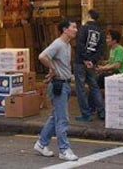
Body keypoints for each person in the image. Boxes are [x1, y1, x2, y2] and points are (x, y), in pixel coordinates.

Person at [34, 18, 79, 162]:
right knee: (62, 119)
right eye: (73, 27)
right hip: (58, 85)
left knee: (55, 117)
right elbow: (42, 56)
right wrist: (52, 68)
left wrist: (56, 69)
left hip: (64, 84)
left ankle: (41, 144)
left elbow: (59, 63)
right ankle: (64, 149)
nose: (76, 30)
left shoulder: (67, 45)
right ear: (65, 29)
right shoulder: (58, 44)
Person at [74, 9, 105, 122]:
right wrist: (92, 60)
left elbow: (80, 44)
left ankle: (86, 113)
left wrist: (85, 59)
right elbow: (101, 49)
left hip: (80, 62)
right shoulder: (100, 31)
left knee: (81, 88)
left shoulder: (84, 28)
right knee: (94, 86)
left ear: (88, 16)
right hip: (91, 63)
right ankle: (101, 111)